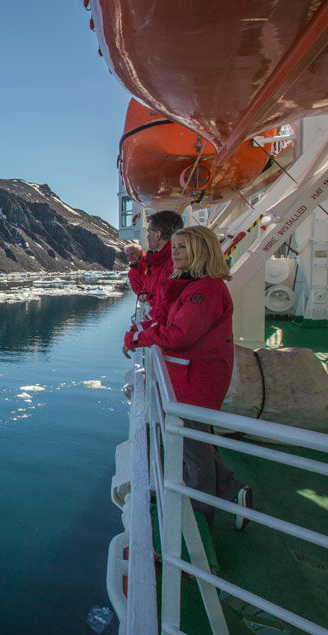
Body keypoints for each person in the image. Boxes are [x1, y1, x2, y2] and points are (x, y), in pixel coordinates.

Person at [122, 225, 252, 528]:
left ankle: (198, 515)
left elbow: (179, 334)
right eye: (175, 246)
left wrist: (138, 339)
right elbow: (166, 316)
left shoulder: (204, 291)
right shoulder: (193, 286)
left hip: (196, 377)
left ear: (201, 251)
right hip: (187, 373)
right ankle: (233, 492)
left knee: (194, 448)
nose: (175, 254)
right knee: (195, 442)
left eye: (182, 248)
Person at [139, 210, 184, 324]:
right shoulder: (161, 261)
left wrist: (135, 337)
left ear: (158, 235)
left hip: (162, 332)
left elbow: (168, 307)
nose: (148, 237)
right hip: (156, 327)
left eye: (149, 232)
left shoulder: (172, 263)